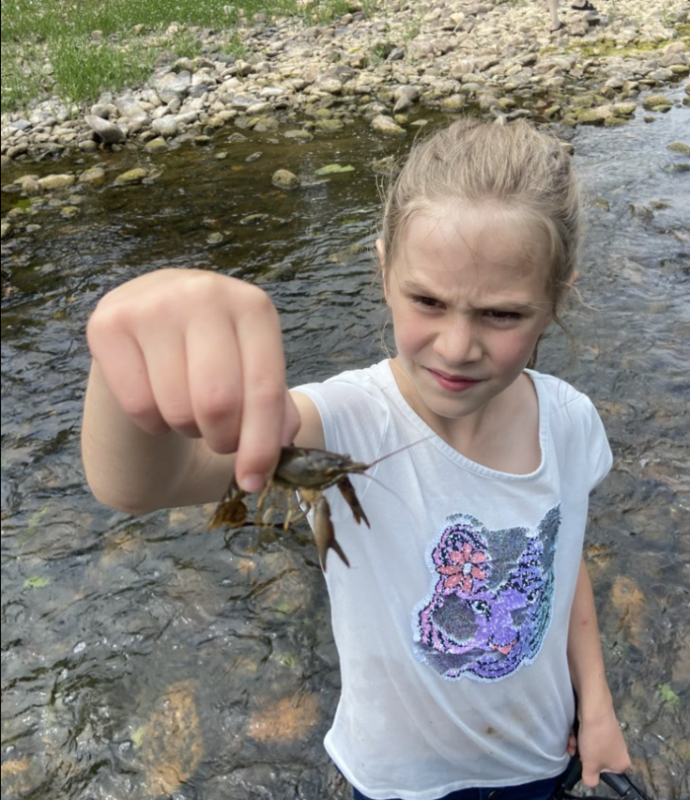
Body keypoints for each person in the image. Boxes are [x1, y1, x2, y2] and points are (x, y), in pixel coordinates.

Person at [81, 118, 631, 800]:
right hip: (398, 782)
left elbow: (559, 553)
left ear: (555, 300)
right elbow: (136, 484)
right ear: (382, 272)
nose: (457, 346)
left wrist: (597, 706)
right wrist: (125, 348)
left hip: (539, 756)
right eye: (427, 301)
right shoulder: (340, 417)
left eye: (501, 315)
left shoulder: (570, 421)